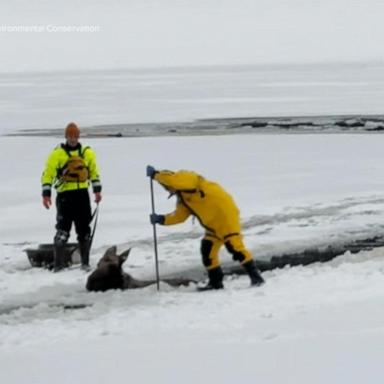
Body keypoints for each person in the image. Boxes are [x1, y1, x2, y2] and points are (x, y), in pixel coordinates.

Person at [146, 165, 264, 290]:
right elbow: (179, 216)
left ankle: (256, 277)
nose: (169, 190)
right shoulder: (183, 198)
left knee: (235, 247)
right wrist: (162, 219)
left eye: (168, 187)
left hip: (225, 217)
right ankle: (216, 282)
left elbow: (174, 180)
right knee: (207, 250)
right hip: (213, 226)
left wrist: (155, 175)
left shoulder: (187, 178)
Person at [41, 122, 102, 271]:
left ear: (78, 136)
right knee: (62, 231)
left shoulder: (87, 153)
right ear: (66, 136)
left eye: (75, 136)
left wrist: (97, 191)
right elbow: (47, 174)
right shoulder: (57, 154)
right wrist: (46, 194)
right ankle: (58, 265)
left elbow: (94, 172)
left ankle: (85, 264)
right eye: (70, 135)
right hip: (65, 196)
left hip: (82, 196)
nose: (72, 139)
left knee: (84, 231)